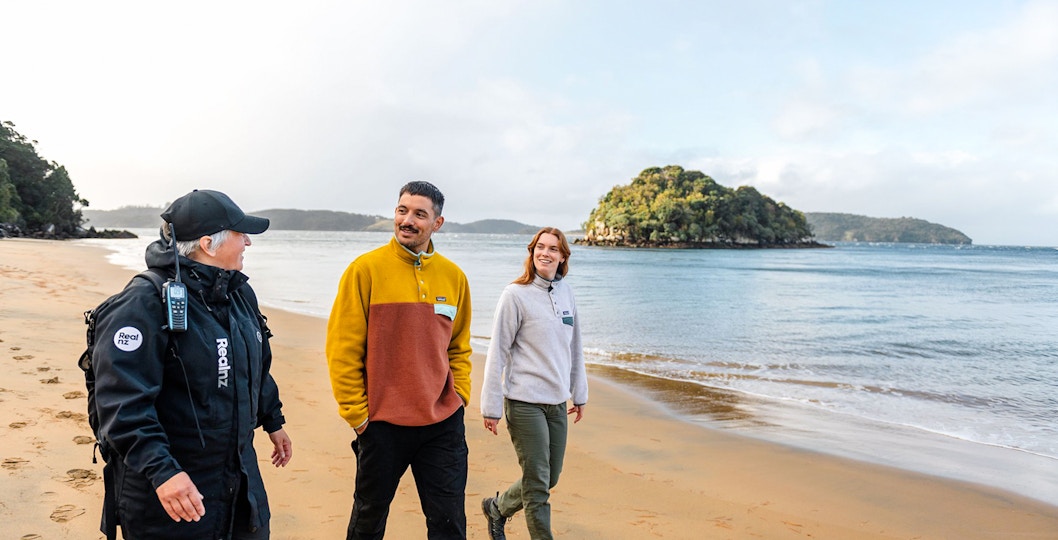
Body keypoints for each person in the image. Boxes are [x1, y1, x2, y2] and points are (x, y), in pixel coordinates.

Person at [92, 189, 293, 539]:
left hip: (240, 484)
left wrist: (272, 419)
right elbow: (121, 404)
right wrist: (163, 472)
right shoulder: (143, 303)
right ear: (207, 244)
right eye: (239, 234)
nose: (247, 242)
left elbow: (256, 365)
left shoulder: (238, 293)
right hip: (172, 494)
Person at [326, 181, 473, 539]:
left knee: (450, 522)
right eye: (402, 210)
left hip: (441, 423)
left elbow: (459, 346)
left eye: (419, 214)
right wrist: (359, 417)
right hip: (381, 424)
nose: (407, 220)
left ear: (437, 223)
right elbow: (342, 350)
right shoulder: (365, 270)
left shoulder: (454, 277)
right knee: (368, 520)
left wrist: (460, 397)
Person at [479, 227, 588, 540]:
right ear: (532, 252)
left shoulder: (567, 293)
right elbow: (497, 351)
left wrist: (579, 393)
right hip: (524, 402)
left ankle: (498, 508)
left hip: (557, 402)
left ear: (563, 256)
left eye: (553, 248)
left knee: (548, 476)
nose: (545, 253)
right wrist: (491, 405)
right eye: (540, 247)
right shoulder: (515, 295)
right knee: (538, 485)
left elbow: (575, 347)